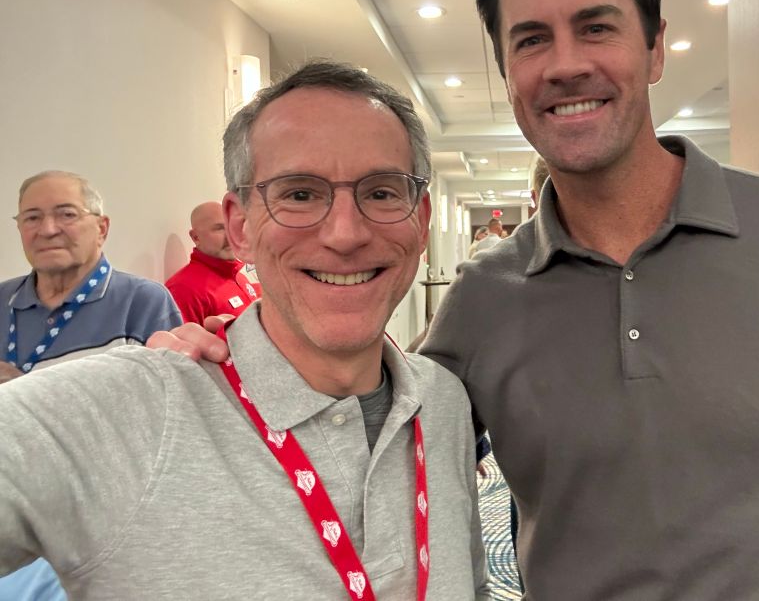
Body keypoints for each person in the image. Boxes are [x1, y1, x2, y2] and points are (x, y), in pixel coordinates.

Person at [146, 0, 759, 600]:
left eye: (596, 27)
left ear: (653, 47)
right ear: (506, 68)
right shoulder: (483, 299)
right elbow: (369, 442)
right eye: (531, 39)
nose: (565, 64)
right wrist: (230, 360)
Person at [0, 63, 488, 599]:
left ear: (420, 221)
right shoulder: (123, 407)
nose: (345, 234)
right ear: (239, 228)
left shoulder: (443, 403)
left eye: (381, 192)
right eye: (299, 194)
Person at [0, 170, 183, 599]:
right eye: (31, 217)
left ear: (101, 227)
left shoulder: (144, 302)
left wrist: (30, 392)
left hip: (101, 519)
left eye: (66, 214)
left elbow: (171, 422)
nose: (47, 229)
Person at [166, 201, 260, 323]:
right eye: (220, 229)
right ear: (196, 237)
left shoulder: (240, 276)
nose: (230, 236)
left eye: (232, 227)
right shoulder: (182, 289)